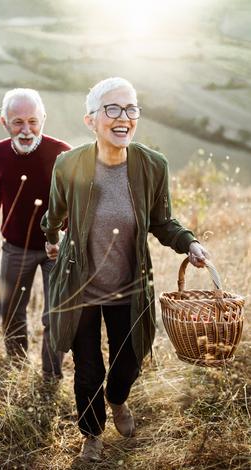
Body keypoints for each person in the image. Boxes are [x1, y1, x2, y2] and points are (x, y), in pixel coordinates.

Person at [41, 77, 210, 462]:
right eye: (112, 109)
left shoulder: (152, 166)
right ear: (91, 120)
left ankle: (117, 399)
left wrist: (190, 243)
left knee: (128, 361)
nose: (124, 117)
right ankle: (92, 435)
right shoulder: (69, 164)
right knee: (87, 371)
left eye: (131, 109)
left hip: (128, 287)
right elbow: (54, 214)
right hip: (80, 286)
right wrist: (50, 236)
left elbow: (162, 221)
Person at [0, 88, 71, 380]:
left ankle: (50, 375)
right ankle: (17, 367)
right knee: (11, 311)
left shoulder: (62, 153)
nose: (26, 129)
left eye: (33, 121)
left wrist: (64, 238)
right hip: (15, 247)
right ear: (3, 121)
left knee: (55, 315)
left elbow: (75, 201)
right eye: (17, 121)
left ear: (43, 119)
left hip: (54, 248)